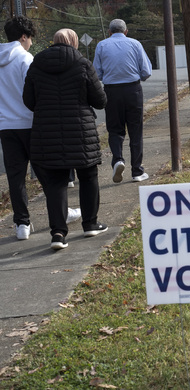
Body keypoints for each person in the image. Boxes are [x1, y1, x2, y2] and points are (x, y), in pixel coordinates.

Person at [23, 28, 108, 250]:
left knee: (55, 183)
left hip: (46, 131)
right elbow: (100, 100)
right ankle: (90, 223)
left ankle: (58, 234)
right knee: (88, 175)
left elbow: (29, 101)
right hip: (81, 131)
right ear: (74, 42)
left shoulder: (36, 65)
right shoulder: (83, 64)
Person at [93, 19, 152, 183]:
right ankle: (137, 171)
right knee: (135, 130)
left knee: (114, 129)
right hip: (133, 89)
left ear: (109, 32)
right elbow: (146, 71)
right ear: (126, 31)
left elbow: (96, 73)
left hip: (111, 91)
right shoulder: (135, 44)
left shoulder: (102, 45)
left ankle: (118, 159)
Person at [0, 16, 36, 240]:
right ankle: (59, 214)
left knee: (15, 175)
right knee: (46, 171)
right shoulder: (25, 59)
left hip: (5, 125)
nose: (31, 42)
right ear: (24, 36)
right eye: (30, 37)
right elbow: (32, 92)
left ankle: (21, 223)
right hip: (28, 122)